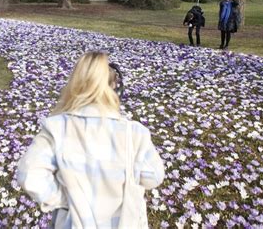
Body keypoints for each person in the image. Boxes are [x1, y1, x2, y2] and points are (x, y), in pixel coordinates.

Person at [16, 51, 165, 228]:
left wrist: (67, 200)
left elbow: (29, 176)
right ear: (115, 89)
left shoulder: (56, 128)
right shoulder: (135, 133)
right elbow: (153, 178)